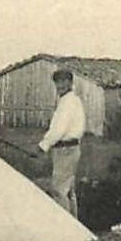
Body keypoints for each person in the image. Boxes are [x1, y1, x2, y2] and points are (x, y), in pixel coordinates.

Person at [37, 67, 85, 217]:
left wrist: (43, 145)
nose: (60, 85)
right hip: (70, 149)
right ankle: (75, 227)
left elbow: (59, 129)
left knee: (59, 190)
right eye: (58, 82)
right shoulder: (72, 100)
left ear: (71, 83)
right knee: (69, 191)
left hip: (65, 150)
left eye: (64, 82)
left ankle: (66, 229)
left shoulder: (68, 103)